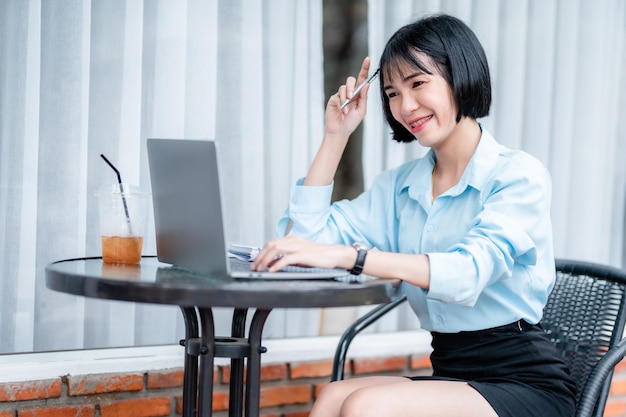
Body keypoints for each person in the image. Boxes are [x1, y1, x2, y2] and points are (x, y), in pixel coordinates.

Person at [251, 13, 576, 417]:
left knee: (367, 406)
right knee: (333, 397)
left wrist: (353, 256)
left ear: (460, 75)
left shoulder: (517, 176)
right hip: (452, 372)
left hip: (524, 382)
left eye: (418, 83)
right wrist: (335, 137)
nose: (405, 106)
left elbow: (467, 273)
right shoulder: (401, 187)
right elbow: (303, 241)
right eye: (391, 93)